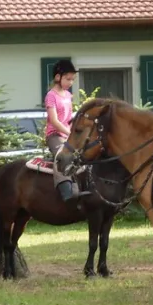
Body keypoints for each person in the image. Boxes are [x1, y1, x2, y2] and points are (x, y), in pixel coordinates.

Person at [45, 59, 89, 204]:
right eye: (68, 79)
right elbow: (55, 121)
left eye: (73, 79)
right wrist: (70, 133)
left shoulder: (68, 96)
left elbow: (69, 117)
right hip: (55, 136)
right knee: (61, 157)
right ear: (58, 77)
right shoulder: (51, 96)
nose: (71, 82)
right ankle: (66, 191)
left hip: (68, 135)